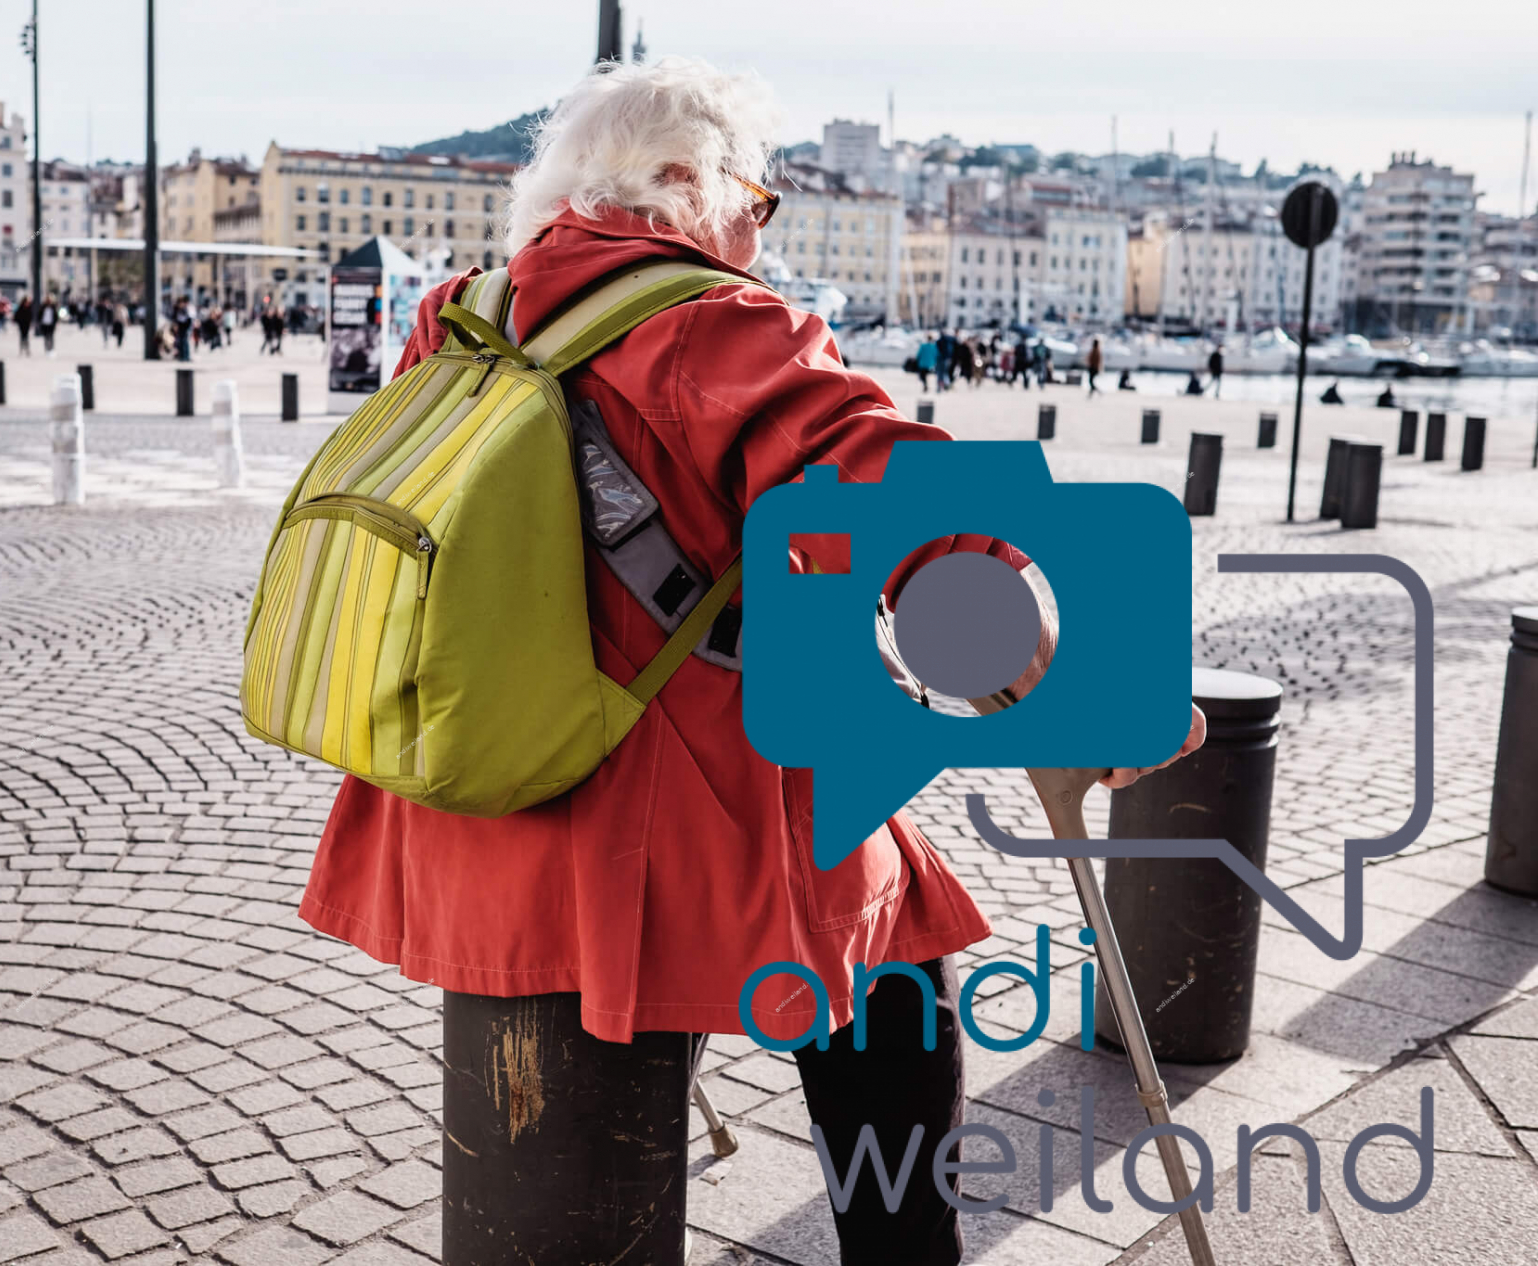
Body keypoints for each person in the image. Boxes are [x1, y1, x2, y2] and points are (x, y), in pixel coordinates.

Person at [294, 57, 1205, 1266]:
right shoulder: (715, 322)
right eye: (755, 201)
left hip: (494, 774)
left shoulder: (469, 308)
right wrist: (1077, 696)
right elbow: (900, 507)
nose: (755, 235)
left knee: (654, 1075)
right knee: (892, 974)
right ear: (681, 179)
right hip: (693, 790)